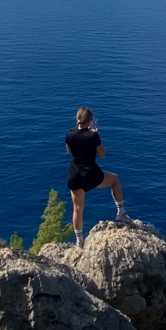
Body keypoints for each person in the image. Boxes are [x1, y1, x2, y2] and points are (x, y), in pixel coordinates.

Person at [65, 106, 129, 248]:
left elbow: (70, 151)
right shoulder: (93, 136)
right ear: (90, 120)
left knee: (77, 208)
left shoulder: (69, 134)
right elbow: (102, 154)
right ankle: (121, 212)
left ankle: (79, 240)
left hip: (74, 174)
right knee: (115, 180)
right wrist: (94, 137)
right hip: (90, 173)